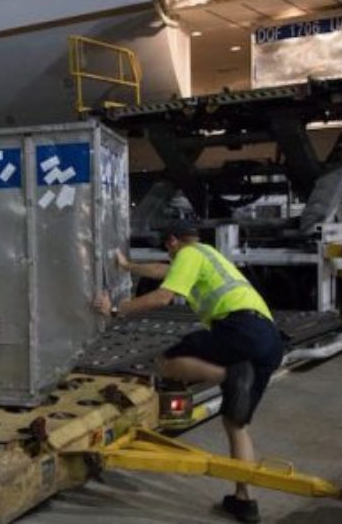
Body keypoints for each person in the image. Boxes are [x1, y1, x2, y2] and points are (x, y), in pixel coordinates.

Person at [93, 221, 283, 524]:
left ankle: (226, 376)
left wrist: (116, 311)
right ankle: (245, 500)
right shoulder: (206, 253)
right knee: (237, 425)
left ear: (172, 241)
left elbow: (162, 297)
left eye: (168, 249)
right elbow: (163, 272)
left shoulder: (188, 255)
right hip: (269, 340)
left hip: (239, 330)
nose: (169, 256)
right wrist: (129, 266)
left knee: (167, 360)